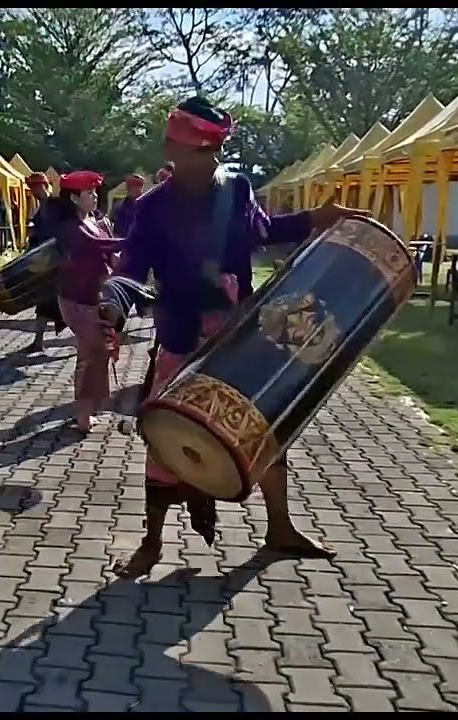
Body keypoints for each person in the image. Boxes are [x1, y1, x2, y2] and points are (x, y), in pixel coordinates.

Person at [100, 96, 369, 578]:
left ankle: (280, 528)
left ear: (204, 151)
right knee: (165, 441)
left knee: (265, 433)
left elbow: (262, 231)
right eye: (171, 143)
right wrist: (113, 305)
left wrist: (315, 219)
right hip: (181, 341)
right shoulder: (152, 208)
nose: (169, 149)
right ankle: (152, 544)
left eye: (178, 144)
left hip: (239, 336)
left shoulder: (238, 190)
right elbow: (132, 268)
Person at [52, 170, 123, 433]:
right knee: (91, 353)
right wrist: (139, 241)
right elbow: (101, 246)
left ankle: (88, 411)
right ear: (73, 198)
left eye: (95, 192)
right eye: (89, 193)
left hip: (98, 298)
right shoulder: (71, 228)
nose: (95, 197)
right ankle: (83, 415)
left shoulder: (98, 221)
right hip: (76, 301)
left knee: (99, 352)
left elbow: (112, 255)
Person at [22, 172, 66, 353]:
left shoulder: (59, 205)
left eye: (35, 187)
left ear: (44, 186)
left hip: (62, 263)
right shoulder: (42, 209)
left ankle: (85, 342)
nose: (33, 191)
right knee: (44, 302)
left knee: (69, 306)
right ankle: (38, 342)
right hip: (48, 264)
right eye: (32, 188)